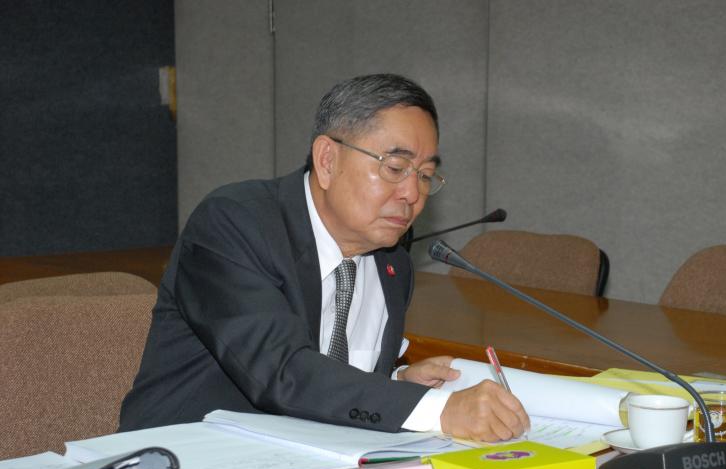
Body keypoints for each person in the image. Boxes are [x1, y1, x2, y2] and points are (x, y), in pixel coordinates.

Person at [119, 73, 529, 442]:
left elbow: (330, 369)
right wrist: (437, 410)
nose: (412, 194)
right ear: (328, 160)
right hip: (181, 464)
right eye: (395, 167)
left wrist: (397, 383)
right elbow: (283, 372)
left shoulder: (392, 263)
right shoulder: (234, 224)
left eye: (424, 175)